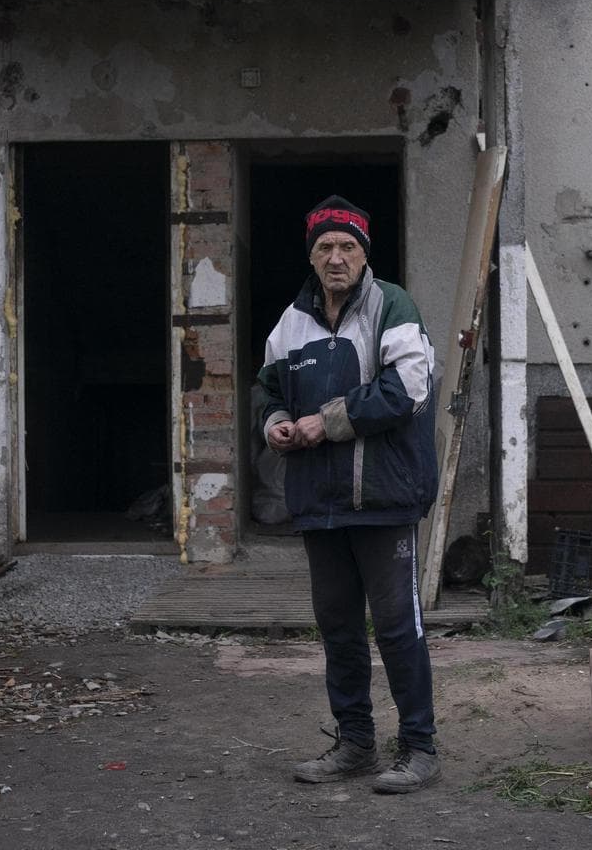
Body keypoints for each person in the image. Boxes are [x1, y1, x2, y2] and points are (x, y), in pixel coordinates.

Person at [252, 195, 442, 794]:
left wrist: (325, 422)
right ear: (312, 255)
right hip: (320, 503)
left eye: (348, 247)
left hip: (384, 497)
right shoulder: (293, 321)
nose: (336, 258)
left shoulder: (392, 305)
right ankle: (355, 743)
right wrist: (277, 419)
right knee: (337, 625)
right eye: (325, 248)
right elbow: (265, 385)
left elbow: (408, 388)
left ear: (364, 254)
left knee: (396, 626)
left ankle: (419, 746)